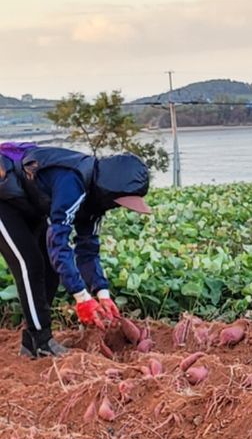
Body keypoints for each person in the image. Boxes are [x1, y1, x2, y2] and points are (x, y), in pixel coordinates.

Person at [0, 143, 151, 359]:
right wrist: (82, 297)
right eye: (119, 201)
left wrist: (102, 293)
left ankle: (31, 342)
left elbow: (87, 249)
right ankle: (41, 341)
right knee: (29, 264)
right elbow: (58, 241)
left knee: (50, 269)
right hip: (4, 202)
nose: (118, 206)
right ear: (110, 189)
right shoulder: (72, 182)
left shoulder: (96, 203)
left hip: (25, 203)